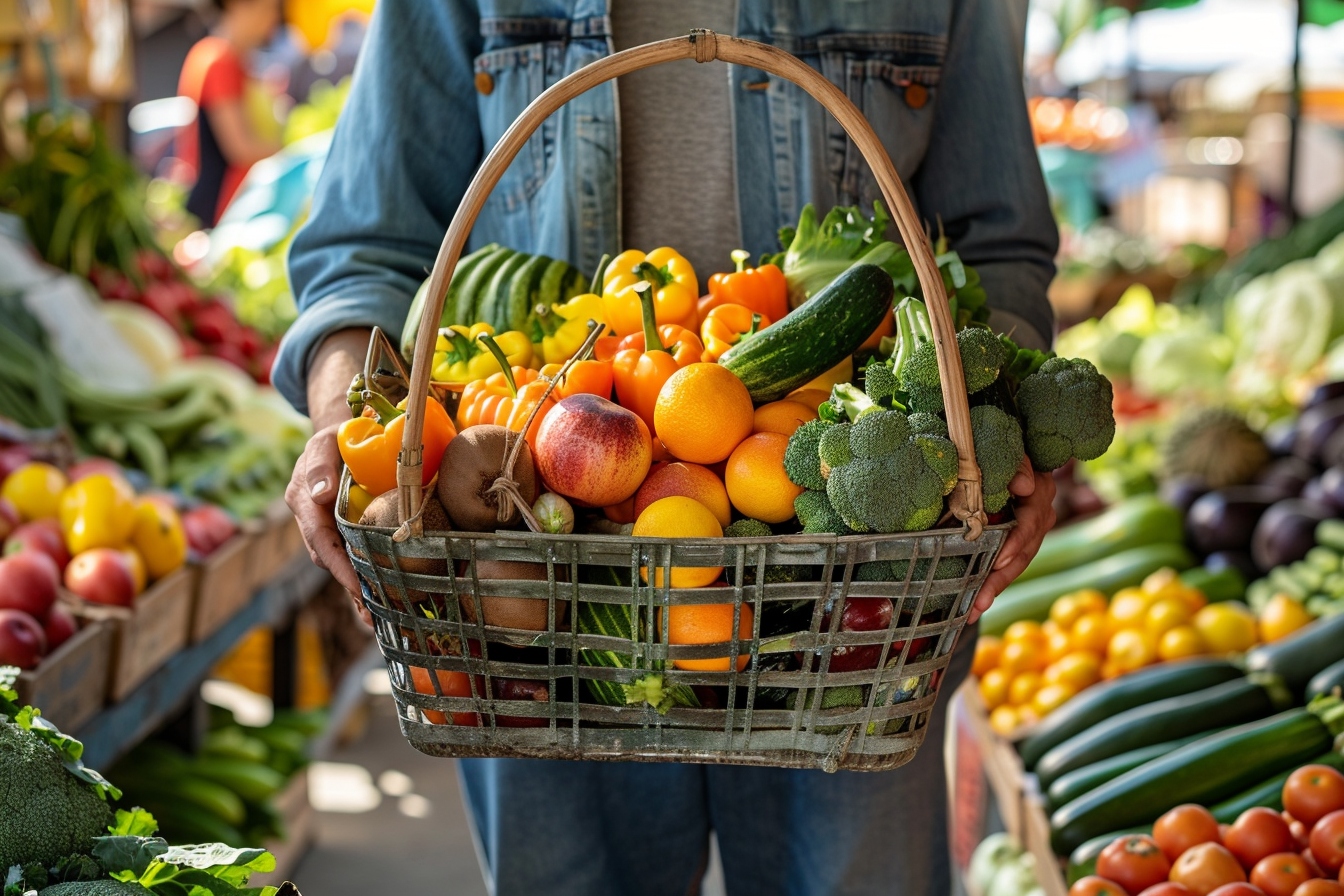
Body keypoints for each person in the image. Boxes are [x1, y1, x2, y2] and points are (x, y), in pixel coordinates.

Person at [277, 2, 1058, 894]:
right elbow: (366, 245)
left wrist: (1001, 427)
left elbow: (997, 247)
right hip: (532, 589)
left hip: (857, 604)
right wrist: (343, 420)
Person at [177, 0, 283, 225]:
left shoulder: (227, 58)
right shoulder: (220, 59)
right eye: (268, 8)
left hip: (230, 204)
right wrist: (293, 148)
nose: (274, 18)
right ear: (239, 5)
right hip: (223, 208)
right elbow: (240, 148)